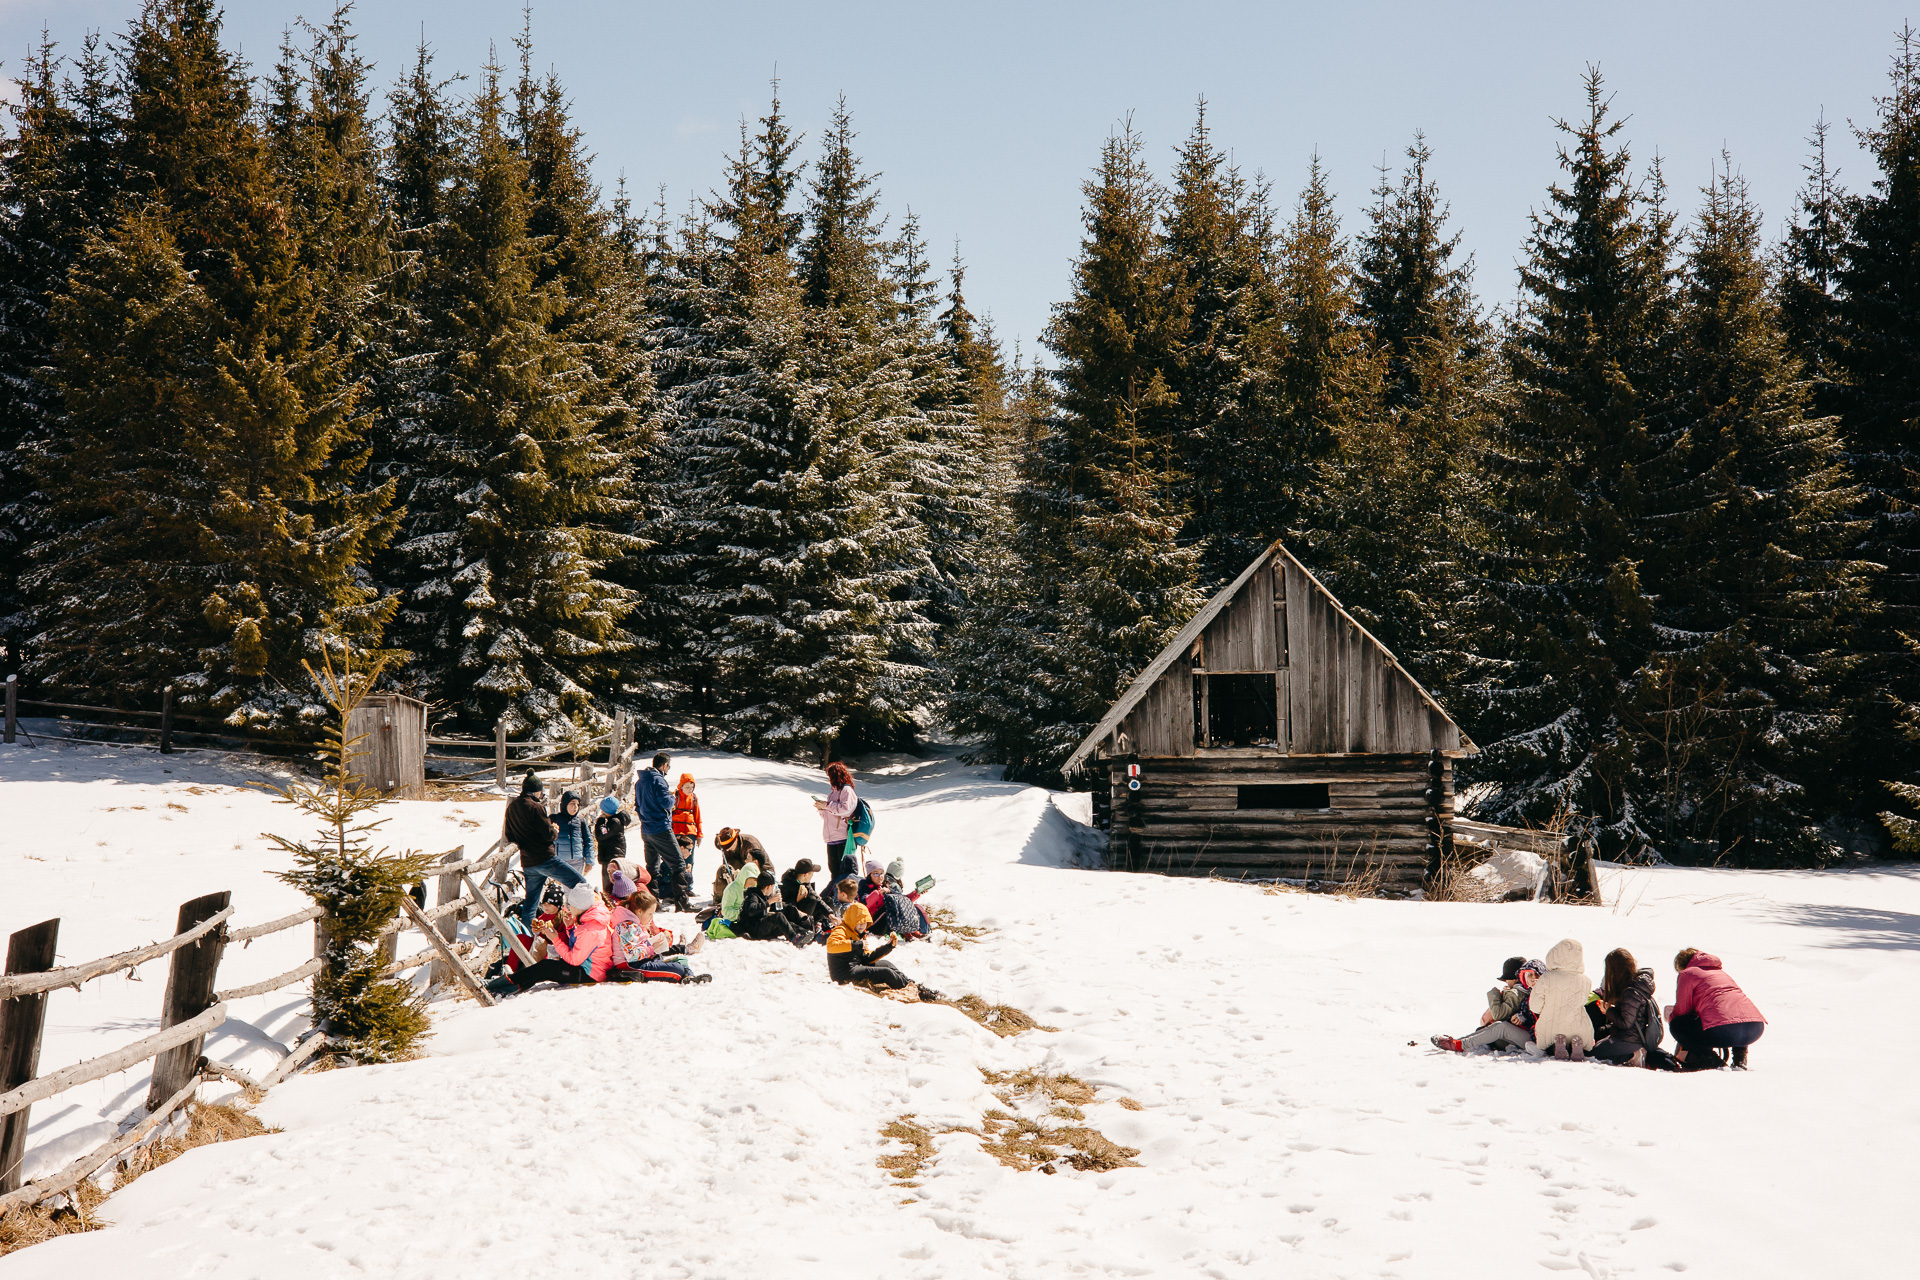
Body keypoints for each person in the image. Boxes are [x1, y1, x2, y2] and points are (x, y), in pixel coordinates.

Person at [492, 884, 615, 992]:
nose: (569, 908)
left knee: (545, 968)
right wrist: (570, 928)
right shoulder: (591, 922)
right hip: (590, 969)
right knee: (545, 967)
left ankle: (505, 985)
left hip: (590, 974)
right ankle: (509, 983)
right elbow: (579, 945)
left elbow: (574, 960)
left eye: (570, 905)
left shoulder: (590, 930)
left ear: (579, 906)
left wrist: (555, 939)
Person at [503, 771, 585, 929]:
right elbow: (548, 835)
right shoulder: (536, 807)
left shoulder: (512, 807)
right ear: (536, 791)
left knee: (531, 904)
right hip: (545, 858)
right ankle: (583, 921)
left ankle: (527, 939)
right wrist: (554, 830)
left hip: (528, 862)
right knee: (580, 883)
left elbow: (509, 835)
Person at [1667, 948, 1766, 1070]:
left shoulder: (1687, 973)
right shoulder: (1721, 973)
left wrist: (1671, 1018)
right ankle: (1740, 1059)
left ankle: (1714, 1062)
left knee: (1678, 1025)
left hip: (1724, 1030)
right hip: (1754, 1028)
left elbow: (1682, 1010)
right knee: (1735, 1016)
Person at [825, 902, 941, 1001]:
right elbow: (831, 945)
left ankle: (913, 986)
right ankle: (915, 991)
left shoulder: (859, 934)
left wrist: (888, 946)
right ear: (851, 920)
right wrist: (855, 944)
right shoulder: (841, 930)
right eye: (859, 922)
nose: (862, 926)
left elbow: (867, 958)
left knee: (886, 964)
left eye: (864, 922)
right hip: (843, 974)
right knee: (886, 972)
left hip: (856, 966)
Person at [1430, 956, 1545, 1054]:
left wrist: (1495, 995)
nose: (1533, 979)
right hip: (1531, 1036)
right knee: (1499, 1026)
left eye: (1536, 975)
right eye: (1528, 976)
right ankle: (1458, 1042)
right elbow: (1528, 1013)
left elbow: (1543, 1014)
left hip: (1540, 1040)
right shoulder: (1530, 993)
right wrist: (1521, 1017)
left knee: (1501, 1027)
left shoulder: (1545, 992)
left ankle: (1459, 1045)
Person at [608, 881, 711, 984]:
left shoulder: (635, 923)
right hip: (630, 965)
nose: (651, 917)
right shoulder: (627, 926)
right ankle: (685, 976)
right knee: (678, 969)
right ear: (639, 911)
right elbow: (632, 955)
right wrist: (651, 948)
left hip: (640, 961)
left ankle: (689, 977)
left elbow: (639, 945)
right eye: (650, 914)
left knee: (681, 960)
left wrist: (655, 944)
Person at [1588, 947, 1675, 1069]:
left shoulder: (1631, 992)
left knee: (1593, 1054)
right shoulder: (1634, 987)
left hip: (1629, 1039)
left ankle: (1631, 1055)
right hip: (1633, 1037)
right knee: (1599, 1042)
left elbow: (1625, 1023)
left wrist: (1608, 1010)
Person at [1530, 938, 1594, 1061]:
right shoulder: (1586, 980)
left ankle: (1557, 1046)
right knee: (1579, 1035)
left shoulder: (1546, 978)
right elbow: (1584, 1000)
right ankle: (1575, 1046)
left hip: (1551, 1025)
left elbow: (1535, 1006)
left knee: (1548, 1043)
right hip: (1578, 1026)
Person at [635, 751, 677, 895]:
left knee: (652, 866)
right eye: (669, 767)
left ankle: (653, 899)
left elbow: (637, 805)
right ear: (664, 765)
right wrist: (673, 798)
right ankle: (682, 901)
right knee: (678, 864)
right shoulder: (658, 780)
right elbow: (666, 802)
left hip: (646, 829)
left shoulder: (640, 781)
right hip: (660, 827)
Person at [815, 762, 859, 885]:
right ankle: (835, 895)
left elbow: (846, 809)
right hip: (831, 837)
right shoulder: (833, 793)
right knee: (834, 870)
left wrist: (827, 805)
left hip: (843, 837)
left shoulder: (846, 790)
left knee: (845, 871)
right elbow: (829, 816)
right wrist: (821, 808)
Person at [738, 876, 808, 945]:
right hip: (752, 929)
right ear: (768, 887)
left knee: (786, 924)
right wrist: (769, 902)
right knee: (778, 916)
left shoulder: (764, 896)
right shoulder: (753, 896)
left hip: (759, 926)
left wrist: (777, 903)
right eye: (773, 887)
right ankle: (794, 938)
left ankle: (805, 934)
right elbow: (751, 911)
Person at [781, 859, 832, 936]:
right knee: (811, 900)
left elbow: (818, 899)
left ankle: (817, 924)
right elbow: (782, 906)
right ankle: (806, 927)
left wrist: (830, 914)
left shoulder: (806, 883)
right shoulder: (786, 884)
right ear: (805, 875)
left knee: (827, 900)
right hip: (795, 914)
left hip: (806, 911)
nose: (812, 876)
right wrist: (796, 900)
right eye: (811, 873)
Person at [552, 790, 595, 880]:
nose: (575, 807)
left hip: (577, 862)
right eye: (572, 803)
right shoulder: (555, 819)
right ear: (565, 804)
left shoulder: (580, 821)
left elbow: (588, 841)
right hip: (560, 861)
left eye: (577, 804)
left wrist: (589, 861)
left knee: (576, 888)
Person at [594, 797, 632, 896]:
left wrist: (600, 821)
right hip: (612, 854)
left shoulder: (614, 822)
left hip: (611, 856)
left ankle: (611, 900)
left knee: (610, 882)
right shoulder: (615, 821)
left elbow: (601, 835)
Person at [671, 773, 702, 890]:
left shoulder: (694, 798)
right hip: (676, 832)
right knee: (675, 859)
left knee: (689, 860)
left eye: (692, 787)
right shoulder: (675, 798)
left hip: (690, 833)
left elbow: (698, 817)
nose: (690, 789)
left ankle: (687, 887)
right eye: (687, 787)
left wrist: (699, 834)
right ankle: (673, 886)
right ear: (681, 786)